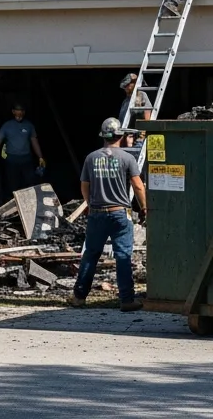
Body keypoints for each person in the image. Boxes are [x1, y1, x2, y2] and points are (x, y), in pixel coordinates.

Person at [71, 118, 147, 312]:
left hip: (97, 214)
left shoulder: (91, 158)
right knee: (122, 256)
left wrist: (91, 204)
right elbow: (138, 185)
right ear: (120, 136)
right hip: (119, 214)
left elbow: (84, 186)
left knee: (91, 254)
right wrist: (144, 207)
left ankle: (79, 297)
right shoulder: (127, 158)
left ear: (103, 136)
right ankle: (127, 300)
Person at [0, 103, 45, 197]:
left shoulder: (29, 126)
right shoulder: (7, 126)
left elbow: (34, 142)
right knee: (12, 185)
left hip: (26, 160)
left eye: (21, 114)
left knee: (29, 183)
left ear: (24, 113)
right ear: (13, 112)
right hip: (11, 160)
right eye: (17, 114)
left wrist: (40, 157)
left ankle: (28, 204)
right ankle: (13, 205)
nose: (19, 117)